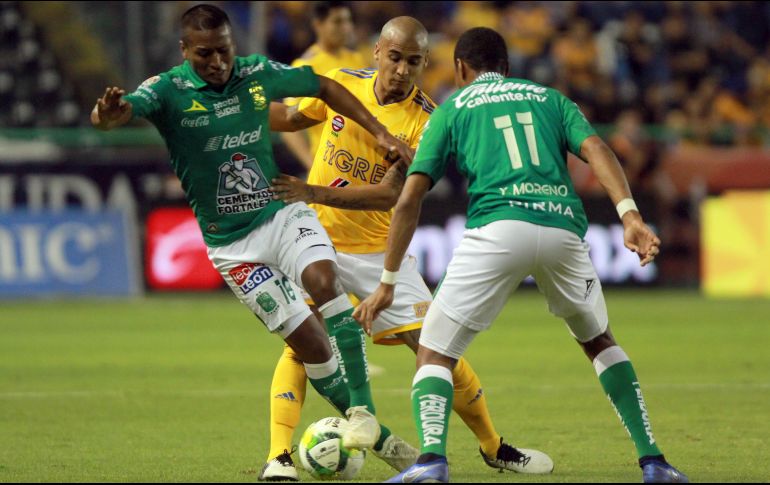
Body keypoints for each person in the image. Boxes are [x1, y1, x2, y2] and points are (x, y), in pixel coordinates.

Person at [89, 2, 413, 474]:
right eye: (204, 54)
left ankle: (363, 411)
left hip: (281, 213)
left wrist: (381, 132)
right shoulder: (167, 90)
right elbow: (116, 115)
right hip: (232, 247)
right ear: (184, 51)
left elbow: (323, 85)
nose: (217, 63)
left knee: (324, 280)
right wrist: (107, 114)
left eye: (223, 51)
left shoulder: (256, 73)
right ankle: (380, 440)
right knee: (312, 347)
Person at [355, 27, 689, 484]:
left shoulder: (452, 106)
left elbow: (411, 197)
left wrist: (389, 280)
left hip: (497, 230)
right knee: (599, 342)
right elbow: (597, 149)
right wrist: (630, 216)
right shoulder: (551, 99)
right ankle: (655, 463)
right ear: (507, 67)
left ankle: (431, 461)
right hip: (561, 229)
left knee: (434, 353)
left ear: (459, 69)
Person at [268, 17, 553, 481]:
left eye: (414, 61)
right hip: (317, 239)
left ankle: (493, 446)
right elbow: (292, 118)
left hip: (381, 251)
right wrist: (230, 110)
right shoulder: (342, 85)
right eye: (395, 57)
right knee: (303, 343)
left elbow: (390, 196)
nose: (402, 70)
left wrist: (313, 193)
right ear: (378, 51)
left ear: (425, 64)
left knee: (435, 350)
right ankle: (278, 458)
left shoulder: (428, 120)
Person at [280, 1, 367, 171]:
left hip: (359, 162)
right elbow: (286, 123)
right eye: (337, 22)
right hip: (329, 164)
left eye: (348, 21)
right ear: (318, 25)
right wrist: (311, 164)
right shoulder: (305, 66)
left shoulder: (356, 59)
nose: (346, 28)